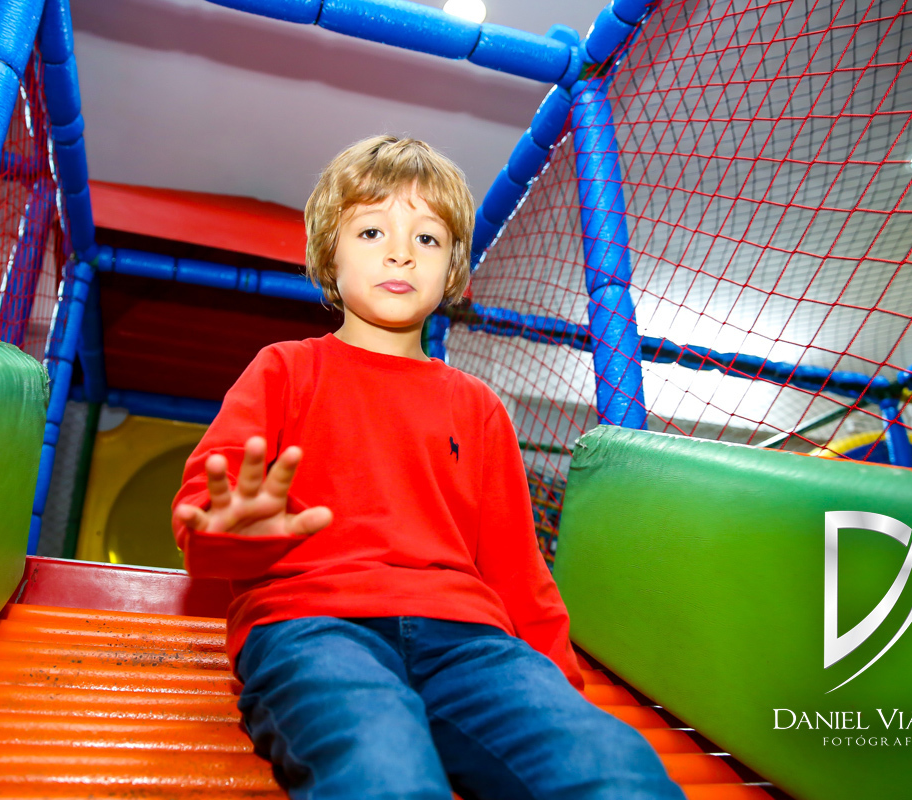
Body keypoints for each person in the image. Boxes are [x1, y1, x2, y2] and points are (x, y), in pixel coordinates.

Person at [171, 135, 683, 800]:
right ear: (329, 254)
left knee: (614, 768)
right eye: (372, 231)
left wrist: (557, 693)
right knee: (382, 768)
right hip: (314, 624)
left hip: (469, 642)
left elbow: (518, 572)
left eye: (428, 238)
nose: (401, 253)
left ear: (454, 274)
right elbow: (206, 512)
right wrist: (230, 528)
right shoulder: (285, 370)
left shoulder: (477, 406)